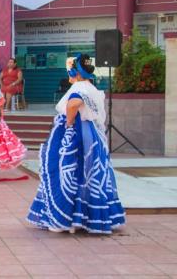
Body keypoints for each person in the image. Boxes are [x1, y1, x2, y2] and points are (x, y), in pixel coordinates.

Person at [27, 54, 125, 234]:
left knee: (68, 171)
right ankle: (80, 218)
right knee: (88, 174)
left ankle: (66, 218)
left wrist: (69, 123)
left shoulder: (79, 87)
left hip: (77, 133)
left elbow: (73, 104)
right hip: (92, 134)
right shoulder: (92, 88)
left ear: (77, 73)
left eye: (71, 71)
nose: (69, 74)